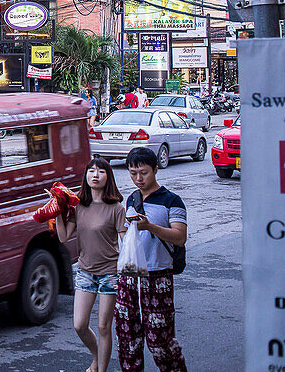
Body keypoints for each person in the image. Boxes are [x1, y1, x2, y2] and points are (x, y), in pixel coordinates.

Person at [115, 147, 188, 372]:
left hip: (158, 276)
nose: (138, 178)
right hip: (130, 277)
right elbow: (127, 235)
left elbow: (180, 237)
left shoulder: (172, 201)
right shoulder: (132, 199)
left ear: (156, 170)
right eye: (133, 173)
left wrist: (150, 227)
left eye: (143, 173)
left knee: (161, 342)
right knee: (128, 341)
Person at [57, 158, 127, 372]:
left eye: (101, 172)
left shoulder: (116, 209)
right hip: (85, 272)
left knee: (104, 326)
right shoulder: (78, 206)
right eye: (91, 171)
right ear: (86, 176)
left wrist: (130, 270)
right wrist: (58, 211)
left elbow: (126, 243)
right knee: (79, 325)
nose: (95, 175)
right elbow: (63, 237)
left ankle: (101, 369)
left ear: (109, 177)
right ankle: (97, 357)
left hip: (110, 273)